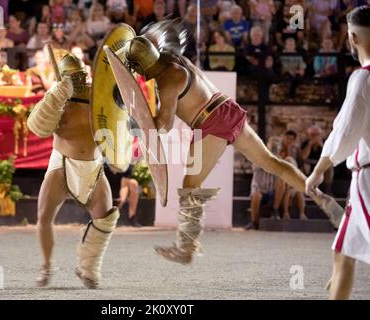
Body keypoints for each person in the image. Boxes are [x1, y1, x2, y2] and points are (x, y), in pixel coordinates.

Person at [121, 19, 333, 264]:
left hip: (211, 122)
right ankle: (317, 194)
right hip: (227, 109)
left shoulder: (166, 80)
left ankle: (186, 248)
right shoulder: (173, 58)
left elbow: (164, 126)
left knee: (191, 184)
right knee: (271, 162)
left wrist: (137, 122)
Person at [27, 52, 119, 289]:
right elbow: (38, 127)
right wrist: (58, 96)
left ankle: (87, 268)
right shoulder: (56, 97)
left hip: (93, 164)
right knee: (44, 217)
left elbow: (115, 121)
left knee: (105, 219)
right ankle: (46, 266)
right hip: (62, 162)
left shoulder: (98, 94)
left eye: (81, 75)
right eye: (74, 76)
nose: (79, 80)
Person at [306, 6, 370, 300]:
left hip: (368, 177)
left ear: (352, 37)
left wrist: (319, 169)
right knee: (343, 250)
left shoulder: (362, 78)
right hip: (361, 180)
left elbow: (345, 132)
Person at [300, 125, 334, 194]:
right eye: (312, 135)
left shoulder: (325, 143)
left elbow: (329, 156)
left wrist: (321, 145)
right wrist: (310, 144)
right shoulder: (305, 143)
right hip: (308, 166)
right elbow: (303, 157)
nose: (314, 137)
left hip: (321, 166)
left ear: (320, 135)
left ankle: (327, 190)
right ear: (309, 135)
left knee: (329, 166)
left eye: (316, 135)